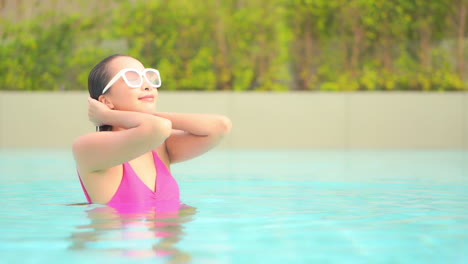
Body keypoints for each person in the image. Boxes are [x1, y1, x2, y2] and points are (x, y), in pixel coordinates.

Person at [72, 54, 232, 208]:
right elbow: (157, 128)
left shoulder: (161, 146)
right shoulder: (87, 147)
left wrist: (109, 115)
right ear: (106, 101)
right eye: (132, 78)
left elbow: (220, 126)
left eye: (148, 76)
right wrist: (108, 115)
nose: (147, 85)